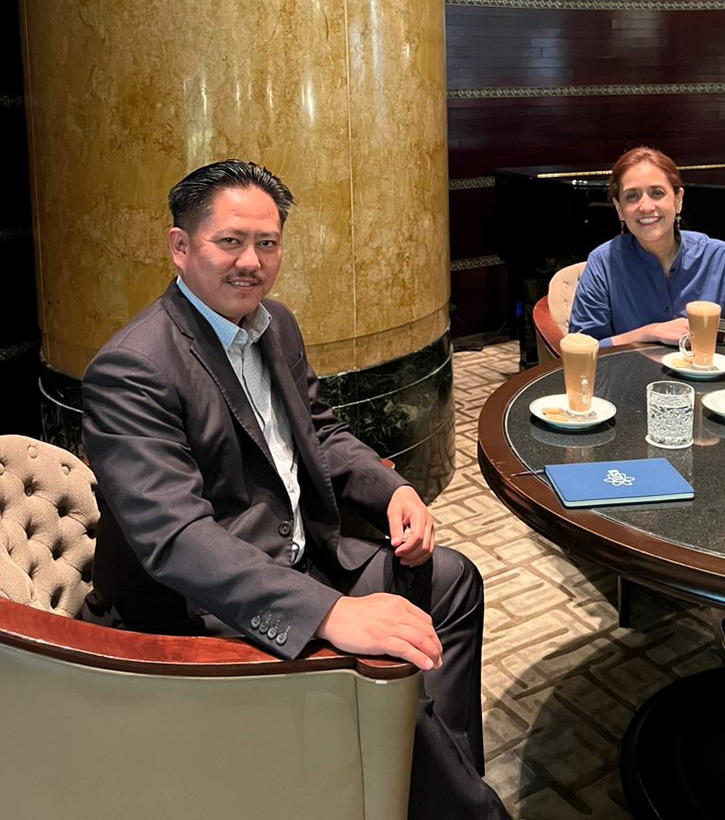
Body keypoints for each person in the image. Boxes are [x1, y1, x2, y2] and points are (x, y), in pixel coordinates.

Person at [82, 159, 509, 820]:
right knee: (389, 675)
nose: (251, 261)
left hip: (298, 556)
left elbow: (319, 430)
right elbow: (177, 539)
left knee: (450, 582)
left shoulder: (273, 324)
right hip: (196, 611)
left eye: (267, 242)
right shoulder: (133, 368)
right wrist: (329, 613)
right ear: (180, 247)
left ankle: (431, 787)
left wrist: (391, 491)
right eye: (230, 241)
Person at [568, 146, 725, 349]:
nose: (646, 206)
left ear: (678, 200)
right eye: (632, 196)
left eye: (657, 193)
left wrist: (709, 330)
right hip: (628, 387)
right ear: (620, 209)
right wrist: (649, 332)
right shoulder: (603, 263)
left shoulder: (720, 258)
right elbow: (581, 348)